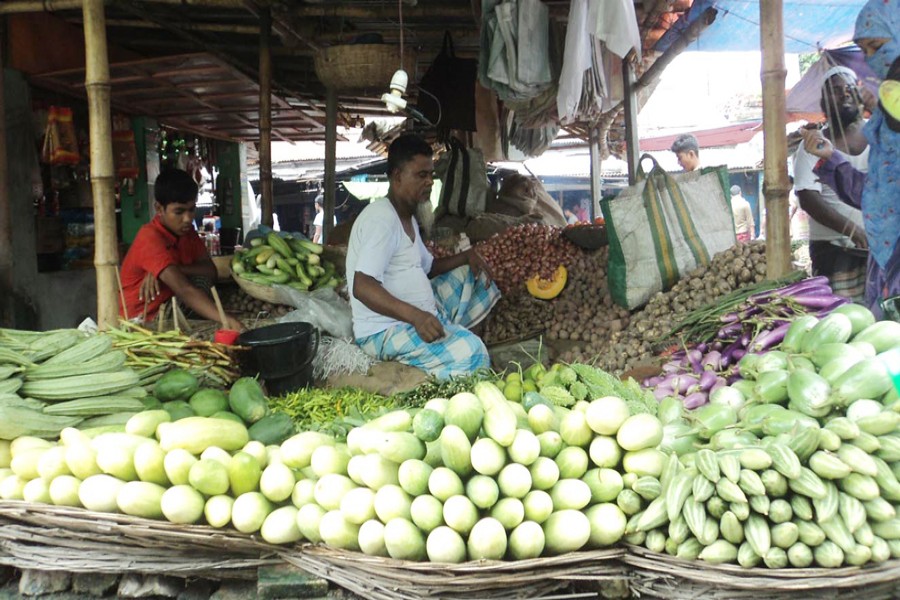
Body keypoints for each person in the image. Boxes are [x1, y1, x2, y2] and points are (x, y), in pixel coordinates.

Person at [346, 135, 501, 380]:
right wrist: (416, 317)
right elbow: (362, 286)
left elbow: (428, 268)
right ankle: (444, 352)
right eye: (421, 175)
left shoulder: (407, 217)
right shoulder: (381, 220)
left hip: (418, 313)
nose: (429, 182)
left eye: (431, 175)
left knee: (471, 276)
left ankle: (445, 340)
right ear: (397, 176)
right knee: (474, 353)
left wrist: (466, 257)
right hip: (384, 331)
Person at [798, 0, 900, 316]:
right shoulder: (885, 119)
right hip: (882, 261)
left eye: (875, 46)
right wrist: (831, 159)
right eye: (865, 51)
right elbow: (878, 194)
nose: (871, 59)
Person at [119, 169, 243, 330]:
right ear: (159, 209)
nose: (187, 219)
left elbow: (210, 272)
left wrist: (175, 269)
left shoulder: (186, 232)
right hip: (144, 318)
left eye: (191, 210)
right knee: (197, 294)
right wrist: (228, 320)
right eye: (179, 212)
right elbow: (184, 290)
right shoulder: (150, 238)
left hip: (170, 304)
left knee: (202, 282)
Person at [792, 66, 870, 303]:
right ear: (824, 103)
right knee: (845, 322)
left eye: (849, 89)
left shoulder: (881, 138)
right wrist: (851, 230)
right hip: (835, 254)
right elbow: (807, 197)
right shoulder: (811, 147)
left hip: (881, 251)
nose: (845, 94)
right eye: (836, 91)